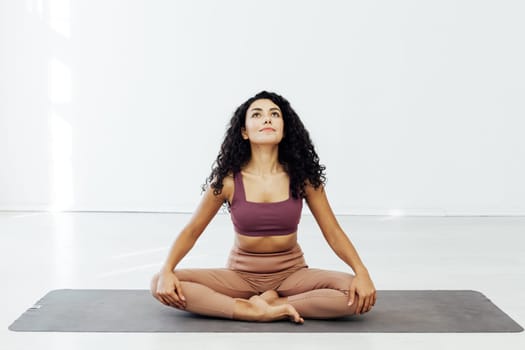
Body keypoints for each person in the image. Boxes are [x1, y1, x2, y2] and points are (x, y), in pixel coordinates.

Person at [150, 90, 376, 323]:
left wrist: (362, 272)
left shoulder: (304, 179)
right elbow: (191, 231)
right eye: (257, 115)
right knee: (159, 281)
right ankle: (250, 310)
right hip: (240, 277)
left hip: (292, 275)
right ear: (244, 132)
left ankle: (276, 303)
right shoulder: (228, 181)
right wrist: (167, 269)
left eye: (274, 114)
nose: (267, 119)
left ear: (284, 129)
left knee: (353, 291)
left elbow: (333, 232)